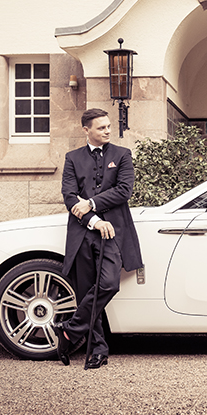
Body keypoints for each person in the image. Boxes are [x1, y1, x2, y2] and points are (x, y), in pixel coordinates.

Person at [53, 108, 143, 369]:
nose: (107, 130)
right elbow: (70, 197)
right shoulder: (72, 158)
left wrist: (91, 203)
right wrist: (93, 219)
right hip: (83, 233)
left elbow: (124, 191)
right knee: (85, 292)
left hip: (113, 232)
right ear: (86, 130)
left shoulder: (122, 155)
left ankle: (69, 329)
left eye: (108, 126)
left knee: (108, 284)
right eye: (101, 127)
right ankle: (98, 351)